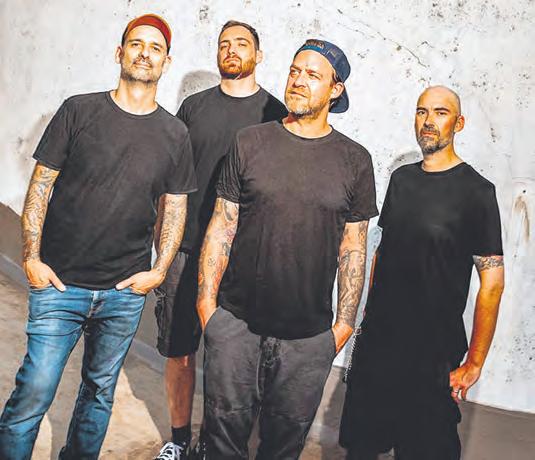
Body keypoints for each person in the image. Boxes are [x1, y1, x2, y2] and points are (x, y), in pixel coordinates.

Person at [0, 14, 196, 460]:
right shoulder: (79, 110)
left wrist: (158, 271)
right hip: (59, 284)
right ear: (120, 52)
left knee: (98, 393)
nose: (145, 53)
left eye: (156, 48)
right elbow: (42, 184)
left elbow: (175, 207)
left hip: (123, 294)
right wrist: (31, 256)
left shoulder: (175, 134)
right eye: (137, 43)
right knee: (35, 391)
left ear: (166, 62)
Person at [197, 39, 378, 459]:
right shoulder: (250, 142)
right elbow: (222, 225)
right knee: (221, 443)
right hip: (236, 326)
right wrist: (208, 307)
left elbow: (354, 246)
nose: (298, 81)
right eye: (295, 71)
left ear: (335, 89)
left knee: (283, 448)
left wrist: (343, 326)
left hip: (308, 339)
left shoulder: (355, 160)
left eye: (313, 75)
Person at [340, 86, 505, 460]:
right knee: (361, 449)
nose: (429, 121)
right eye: (421, 111)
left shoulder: (478, 192)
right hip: (379, 346)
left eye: (440, 113)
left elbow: (492, 282)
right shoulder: (401, 179)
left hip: (432, 355)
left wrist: (474, 362)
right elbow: (384, 250)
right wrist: (367, 319)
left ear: (458, 123)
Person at [152, 20, 287, 460]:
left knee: (231, 362)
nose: (231, 50)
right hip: (186, 250)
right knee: (179, 351)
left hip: (242, 259)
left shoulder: (276, 113)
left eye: (241, 44)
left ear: (258, 55)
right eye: (224, 44)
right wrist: (163, 244)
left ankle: (215, 446)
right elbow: (169, 178)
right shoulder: (194, 107)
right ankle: (178, 441)